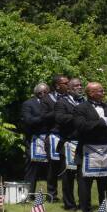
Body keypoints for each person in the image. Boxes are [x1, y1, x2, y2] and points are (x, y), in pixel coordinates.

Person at [74, 82, 107, 212]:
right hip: (87, 151)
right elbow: (81, 126)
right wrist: (100, 122)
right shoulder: (80, 108)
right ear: (91, 93)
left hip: (105, 150)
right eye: (100, 91)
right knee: (85, 186)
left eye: (103, 90)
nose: (103, 93)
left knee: (105, 186)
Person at [55, 78, 84, 210]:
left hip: (82, 142)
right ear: (70, 89)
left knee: (82, 176)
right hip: (68, 142)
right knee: (68, 176)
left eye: (81, 85)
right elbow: (59, 118)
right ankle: (69, 204)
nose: (80, 87)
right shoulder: (62, 102)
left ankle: (83, 202)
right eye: (76, 86)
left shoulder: (84, 101)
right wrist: (77, 116)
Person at [41, 75, 69, 203]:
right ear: (58, 85)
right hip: (54, 135)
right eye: (65, 83)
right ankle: (52, 194)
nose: (68, 85)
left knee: (67, 167)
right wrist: (58, 111)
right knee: (53, 166)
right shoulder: (47, 99)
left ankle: (67, 195)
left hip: (67, 136)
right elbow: (44, 116)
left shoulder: (70, 98)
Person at [21, 83, 49, 195]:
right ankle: (28, 193)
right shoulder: (28, 104)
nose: (48, 95)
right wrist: (44, 116)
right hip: (34, 139)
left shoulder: (51, 103)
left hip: (48, 138)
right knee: (32, 168)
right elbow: (28, 120)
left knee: (51, 168)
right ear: (40, 93)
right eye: (46, 92)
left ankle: (52, 194)